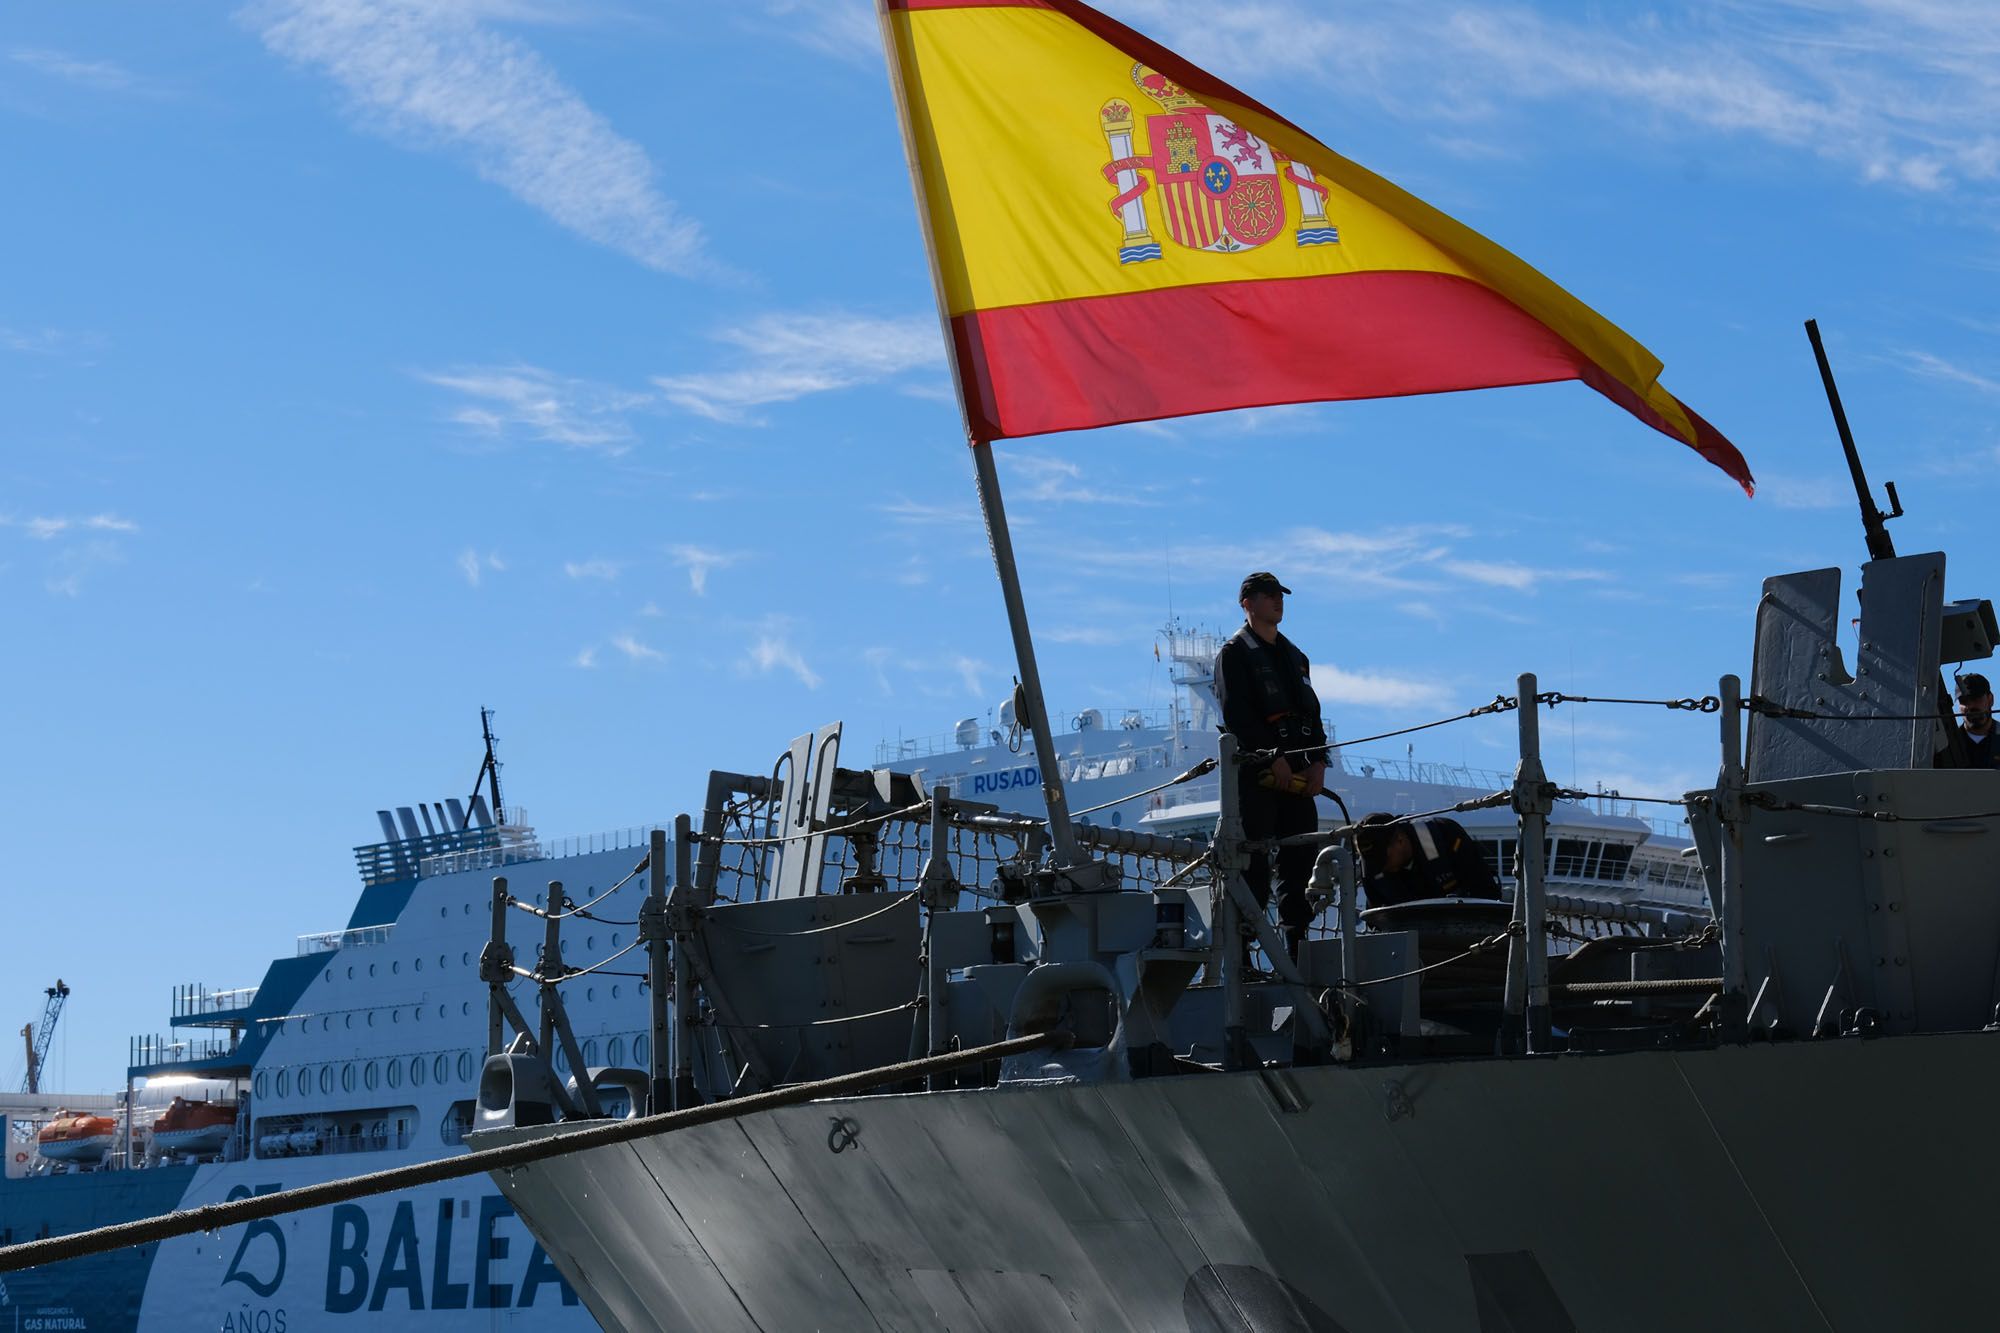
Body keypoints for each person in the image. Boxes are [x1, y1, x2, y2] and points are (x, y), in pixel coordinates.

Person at [1214, 571, 1327, 959]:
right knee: (1253, 867)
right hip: (1256, 778)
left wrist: (1318, 762)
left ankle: (1298, 952)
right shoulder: (1234, 655)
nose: (1277, 601)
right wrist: (1270, 756)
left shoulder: (1297, 657)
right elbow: (1237, 715)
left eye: (1280, 594)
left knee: (1300, 865)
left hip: (1298, 779)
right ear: (1247, 603)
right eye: (1268, 595)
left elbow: (1312, 714)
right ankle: (1242, 958)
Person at [1352, 812, 1504, 909]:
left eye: (1383, 859)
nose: (1381, 867)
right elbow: (1376, 917)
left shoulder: (1447, 835)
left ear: (1400, 840)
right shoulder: (1372, 869)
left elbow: (1487, 893)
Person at [1949, 673, 2000, 769]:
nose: (1971, 706)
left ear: (1990, 700)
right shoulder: (1948, 745)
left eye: (1976, 699)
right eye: (1964, 701)